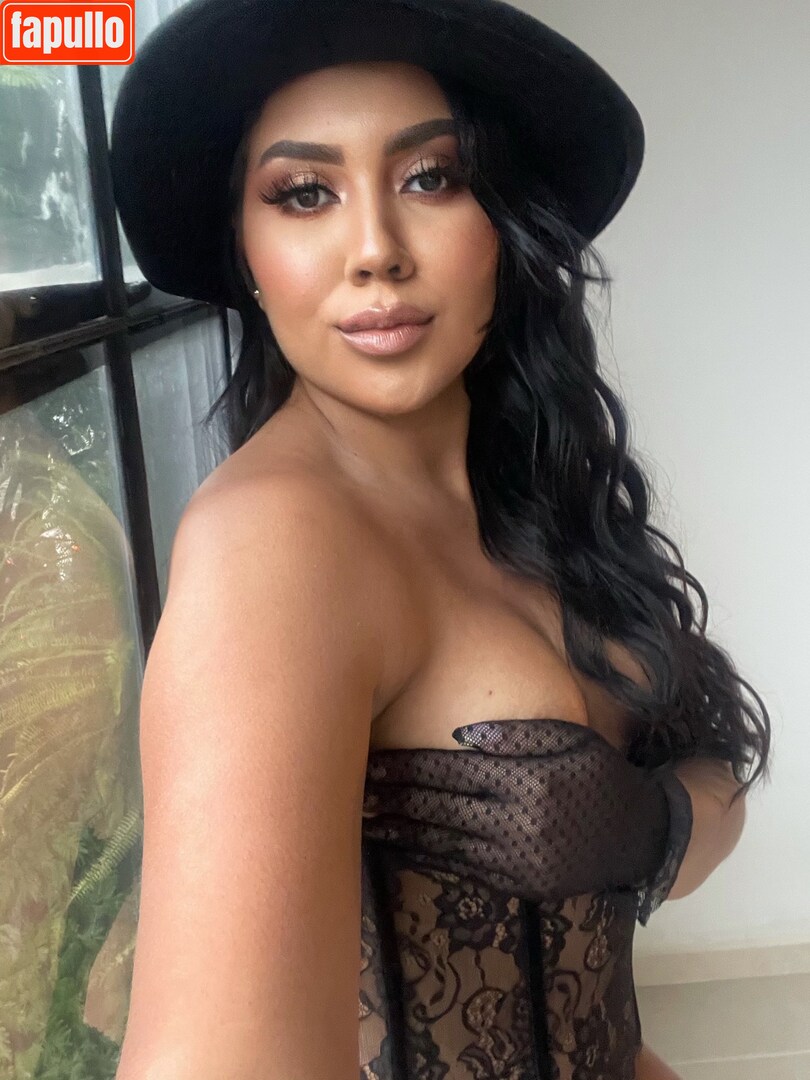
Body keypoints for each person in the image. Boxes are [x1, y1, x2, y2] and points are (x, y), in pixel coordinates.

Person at [108, 2, 771, 1078]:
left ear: (503, 219)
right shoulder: (274, 547)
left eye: (431, 178)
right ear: (246, 246)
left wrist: (647, 830)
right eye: (304, 192)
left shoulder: (533, 489)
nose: (376, 250)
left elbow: (714, 773)